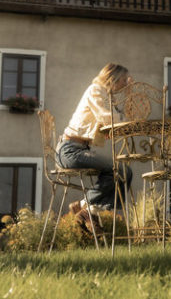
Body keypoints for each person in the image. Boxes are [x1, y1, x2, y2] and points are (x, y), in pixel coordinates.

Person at [55, 63, 133, 233]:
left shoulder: (106, 96)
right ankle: (86, 209)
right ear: (112, 78)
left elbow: (111, 118)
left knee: (124, 172)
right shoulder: (95, 90)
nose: (124, 84)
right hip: (69, 151)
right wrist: (122, 120)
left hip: (80, 149)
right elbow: (106, 116)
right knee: (121, 171)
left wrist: (127, 97)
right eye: (123, 80)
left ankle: (86, 209)